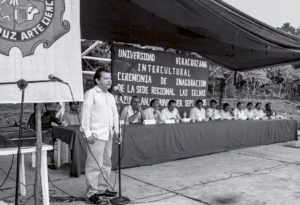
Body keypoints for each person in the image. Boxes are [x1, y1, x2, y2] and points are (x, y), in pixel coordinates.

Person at [81, 67, 119, 204]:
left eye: (110, 78)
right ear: (97, 80)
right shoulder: (91, 94)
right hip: (96, 134)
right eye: (105, 78)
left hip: (108, 134)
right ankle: (91, 192)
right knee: (94, 164)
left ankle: (102, 189)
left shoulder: (110, 96)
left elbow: (115, 115)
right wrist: (87, 133)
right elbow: (85, 114)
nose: (109, 81)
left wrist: (117, 131)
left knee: (106, 163)